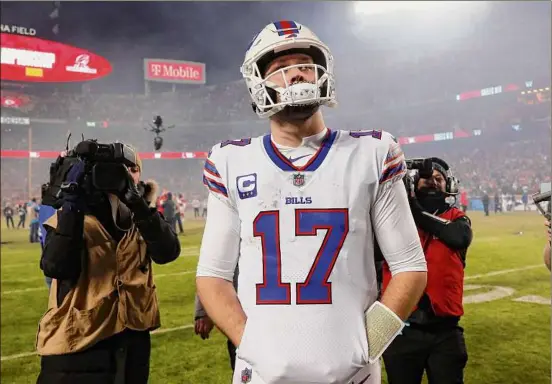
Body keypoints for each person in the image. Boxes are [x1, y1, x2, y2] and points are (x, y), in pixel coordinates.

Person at [196, 20, 427, 384]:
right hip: (261, 374)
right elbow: (213, 275)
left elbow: (410, 265)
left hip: (353, 374)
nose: (297, 75)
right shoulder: (230, 161)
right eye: (279, 69)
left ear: (323, 73)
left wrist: (369, 344)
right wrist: (251, 343)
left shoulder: (373, 151)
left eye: (305, 64)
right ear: (258, 84)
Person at [36, 142, 181, 384]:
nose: (123, 174)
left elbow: (168, 252)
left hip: (132, 345)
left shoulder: (144, 216)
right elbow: (56, 267)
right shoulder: (74, 214)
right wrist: (72, 203)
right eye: (117, 168)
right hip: (78, 347)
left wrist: (137, 204)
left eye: (131, 168)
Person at [381, 157, 473, 384]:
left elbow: (458, 236)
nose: (432, 182)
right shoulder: (392, 219)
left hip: (445, 332)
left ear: (448, 185)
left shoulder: (458, 220)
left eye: (438, 178)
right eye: (426, 178)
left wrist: (412, 209)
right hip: (401, 329)